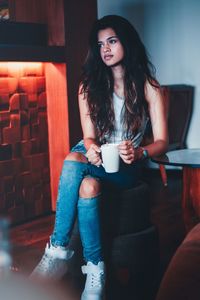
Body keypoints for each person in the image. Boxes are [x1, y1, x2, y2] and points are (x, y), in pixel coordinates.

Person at [30, 15, 168, 300]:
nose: (105, 48)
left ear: (126, 42)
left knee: (71, 160)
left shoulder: (148, 86)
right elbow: (89, 137)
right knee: (87, 184)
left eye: (112, 41)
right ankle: (95, 272)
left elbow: (163, 143)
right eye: (100, 43)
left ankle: (57, 252)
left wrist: (141, 151)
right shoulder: (88, 86)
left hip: (127, 164)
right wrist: (91, 148)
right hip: (93, 158)